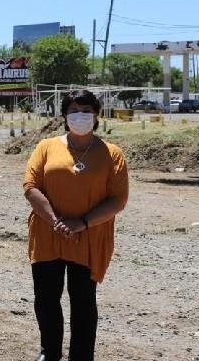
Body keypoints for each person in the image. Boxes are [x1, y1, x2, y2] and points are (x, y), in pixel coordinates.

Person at [23, 90, 128, 361]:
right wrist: (57, 222)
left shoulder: (112, 154)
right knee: (46, 298)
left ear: (96, 115)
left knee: (83, 300)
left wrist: (81, 223)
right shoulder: (45, 147)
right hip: (48, 233)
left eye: (86, 111)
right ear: (64, 116)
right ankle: (49, 352)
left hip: (88, 237)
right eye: (73, 111)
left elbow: (118, 200)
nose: (80, 116)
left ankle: (82, 356)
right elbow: (31, 187)